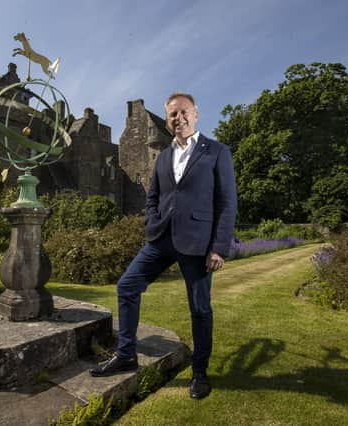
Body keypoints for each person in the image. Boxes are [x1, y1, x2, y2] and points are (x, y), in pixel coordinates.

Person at [90, 92, 237, 400]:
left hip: (198, 243)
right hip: (160, 239)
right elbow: (152, 196)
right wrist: (150, 223)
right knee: (127, 286)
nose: (178, 118)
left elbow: (227, 203)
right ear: (168, 120)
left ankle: (199, 372)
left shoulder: (217, 152)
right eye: (173, 115)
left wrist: (218, 248)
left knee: (199, 308)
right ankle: (127, 354)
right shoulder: (164, 156)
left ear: (195, 114)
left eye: (184, 113)